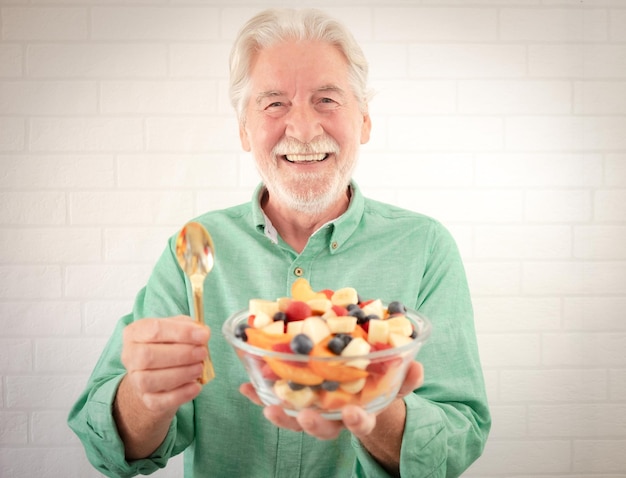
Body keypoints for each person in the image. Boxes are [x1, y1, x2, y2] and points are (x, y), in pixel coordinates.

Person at [68, 8, 490, 478]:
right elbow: (105, 447)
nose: (304, 129)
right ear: (245, 130)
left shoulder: (425, 246)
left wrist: (376, 406)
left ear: (365, 121)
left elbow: (459, 439)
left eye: (327, 99)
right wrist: (143, 395)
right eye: (274, 104)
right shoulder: (195, 249)